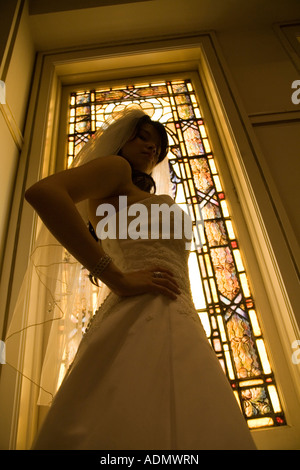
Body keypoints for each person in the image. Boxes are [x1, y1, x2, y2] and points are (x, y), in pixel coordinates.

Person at [25, 109, 256, 450]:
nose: (152, 148)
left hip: (180, 317)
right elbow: (44, 193)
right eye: (142, 137)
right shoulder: (115, 169)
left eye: (160, 145)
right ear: (121, 140)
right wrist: (115, 277)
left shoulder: (134, 193)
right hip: (137, 313)